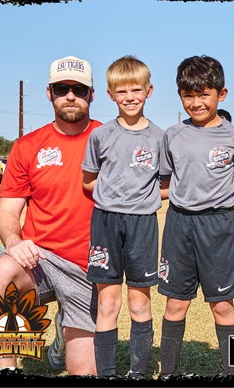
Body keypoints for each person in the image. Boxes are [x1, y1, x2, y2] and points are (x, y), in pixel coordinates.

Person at [0, 55, 102, 375]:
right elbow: (7, 208)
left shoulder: (109, 140)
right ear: (49, 93)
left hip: (88, 268)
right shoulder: (28, 146)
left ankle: (64, 331)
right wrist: (13, 241)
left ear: (92, 94)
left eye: (79, 89)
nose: (70, 96)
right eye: (62, 88)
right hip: (40, 260)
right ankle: (7, 370)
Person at [157, 55, 234, 377]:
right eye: (188, 95)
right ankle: (167, 372)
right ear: (180, 95)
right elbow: (166, 181)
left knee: (222, 304)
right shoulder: (172, 135)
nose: (196, 103)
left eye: (204, 94)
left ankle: (231, 372)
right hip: (179, 224)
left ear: (221, 94)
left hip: (218, 226)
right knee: (175, 303)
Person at [80, 55, 166, 379]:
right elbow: (88, 181)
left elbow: (166, 186)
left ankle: (137, 373)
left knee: (139, 302)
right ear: (110, 94)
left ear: (149, 91)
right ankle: (107, 374)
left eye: (136, 90)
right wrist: (113, 196)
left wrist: (140, 199)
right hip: (106, 222)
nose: (129, 97)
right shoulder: (101, 136)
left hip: (143, 224)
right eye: (122, 91)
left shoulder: (160, 138)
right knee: (108, 303)